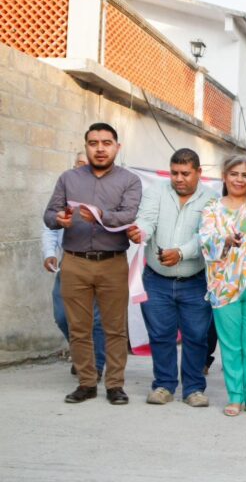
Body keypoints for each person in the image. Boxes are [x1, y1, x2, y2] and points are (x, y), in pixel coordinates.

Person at [43, 122, 142, 404]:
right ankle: (86, 383)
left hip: (113, 262)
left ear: (117, 147)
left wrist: (100, 215)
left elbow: (128, 214)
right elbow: (49, 214)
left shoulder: (129, 181)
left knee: (114, 328)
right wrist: (58, 219)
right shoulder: (68, 178)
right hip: (75, 261)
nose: (100, 149)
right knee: (78, 327)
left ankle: (115, 385)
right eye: (94, 143)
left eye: (106, 143)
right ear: (86, 146)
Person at [127, 148, 216, 408]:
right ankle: (164, 386)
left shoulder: (211, 199)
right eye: (174, 173)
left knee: (196, 336)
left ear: (198, 173)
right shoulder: (156, 191)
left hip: (195, 281)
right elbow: (146, 220)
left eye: (185, 173)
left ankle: (194, 389)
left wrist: (181, 253)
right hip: (156, 280)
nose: (178, 178)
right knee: (161, 335)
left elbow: (207, 236)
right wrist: (140, 232)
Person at [198, 128, 246, 417]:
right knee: (230, 345)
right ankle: (235, 397)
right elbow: (205, 240)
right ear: (224, 177)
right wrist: (226, 240)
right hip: (223, 284)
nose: (240, 179)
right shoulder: (212, 208)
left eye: (245, 175)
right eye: (234, 174)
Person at [42, 151, 106, 380]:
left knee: (96, 319)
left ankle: (94, 365)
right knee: (62, 315)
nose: (83, 168)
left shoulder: (105, 193)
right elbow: (50, 224)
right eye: (79, 164)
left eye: (87, 165)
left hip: (99, 263)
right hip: (69, 263)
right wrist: (50, 253)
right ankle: (81, 353)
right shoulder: (64, 190)